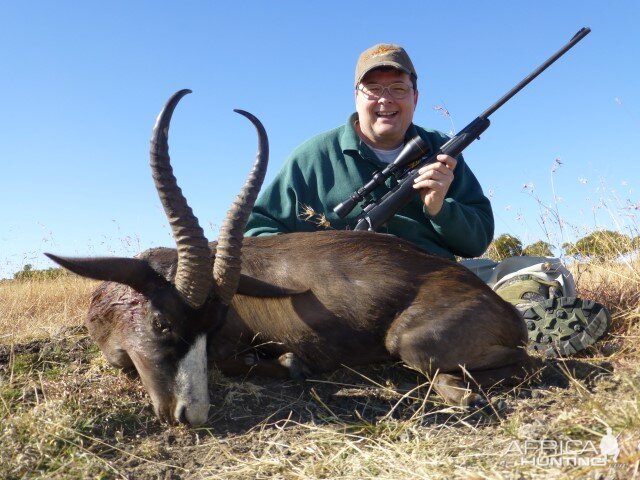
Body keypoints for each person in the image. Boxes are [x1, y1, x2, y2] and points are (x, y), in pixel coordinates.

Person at [245, 43, 610, 357]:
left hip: (435, 283)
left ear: (415, 97)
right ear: (356, 96)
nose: (385, 100)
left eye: (398, 89)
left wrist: (440, 208)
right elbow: (257, 233)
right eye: (373, 90)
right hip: (348, 294)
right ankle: (504, 327)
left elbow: (477, 240)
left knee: (543, 269)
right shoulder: (313, 156)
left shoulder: (440, 150)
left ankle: (514, 320)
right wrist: (319, 261)